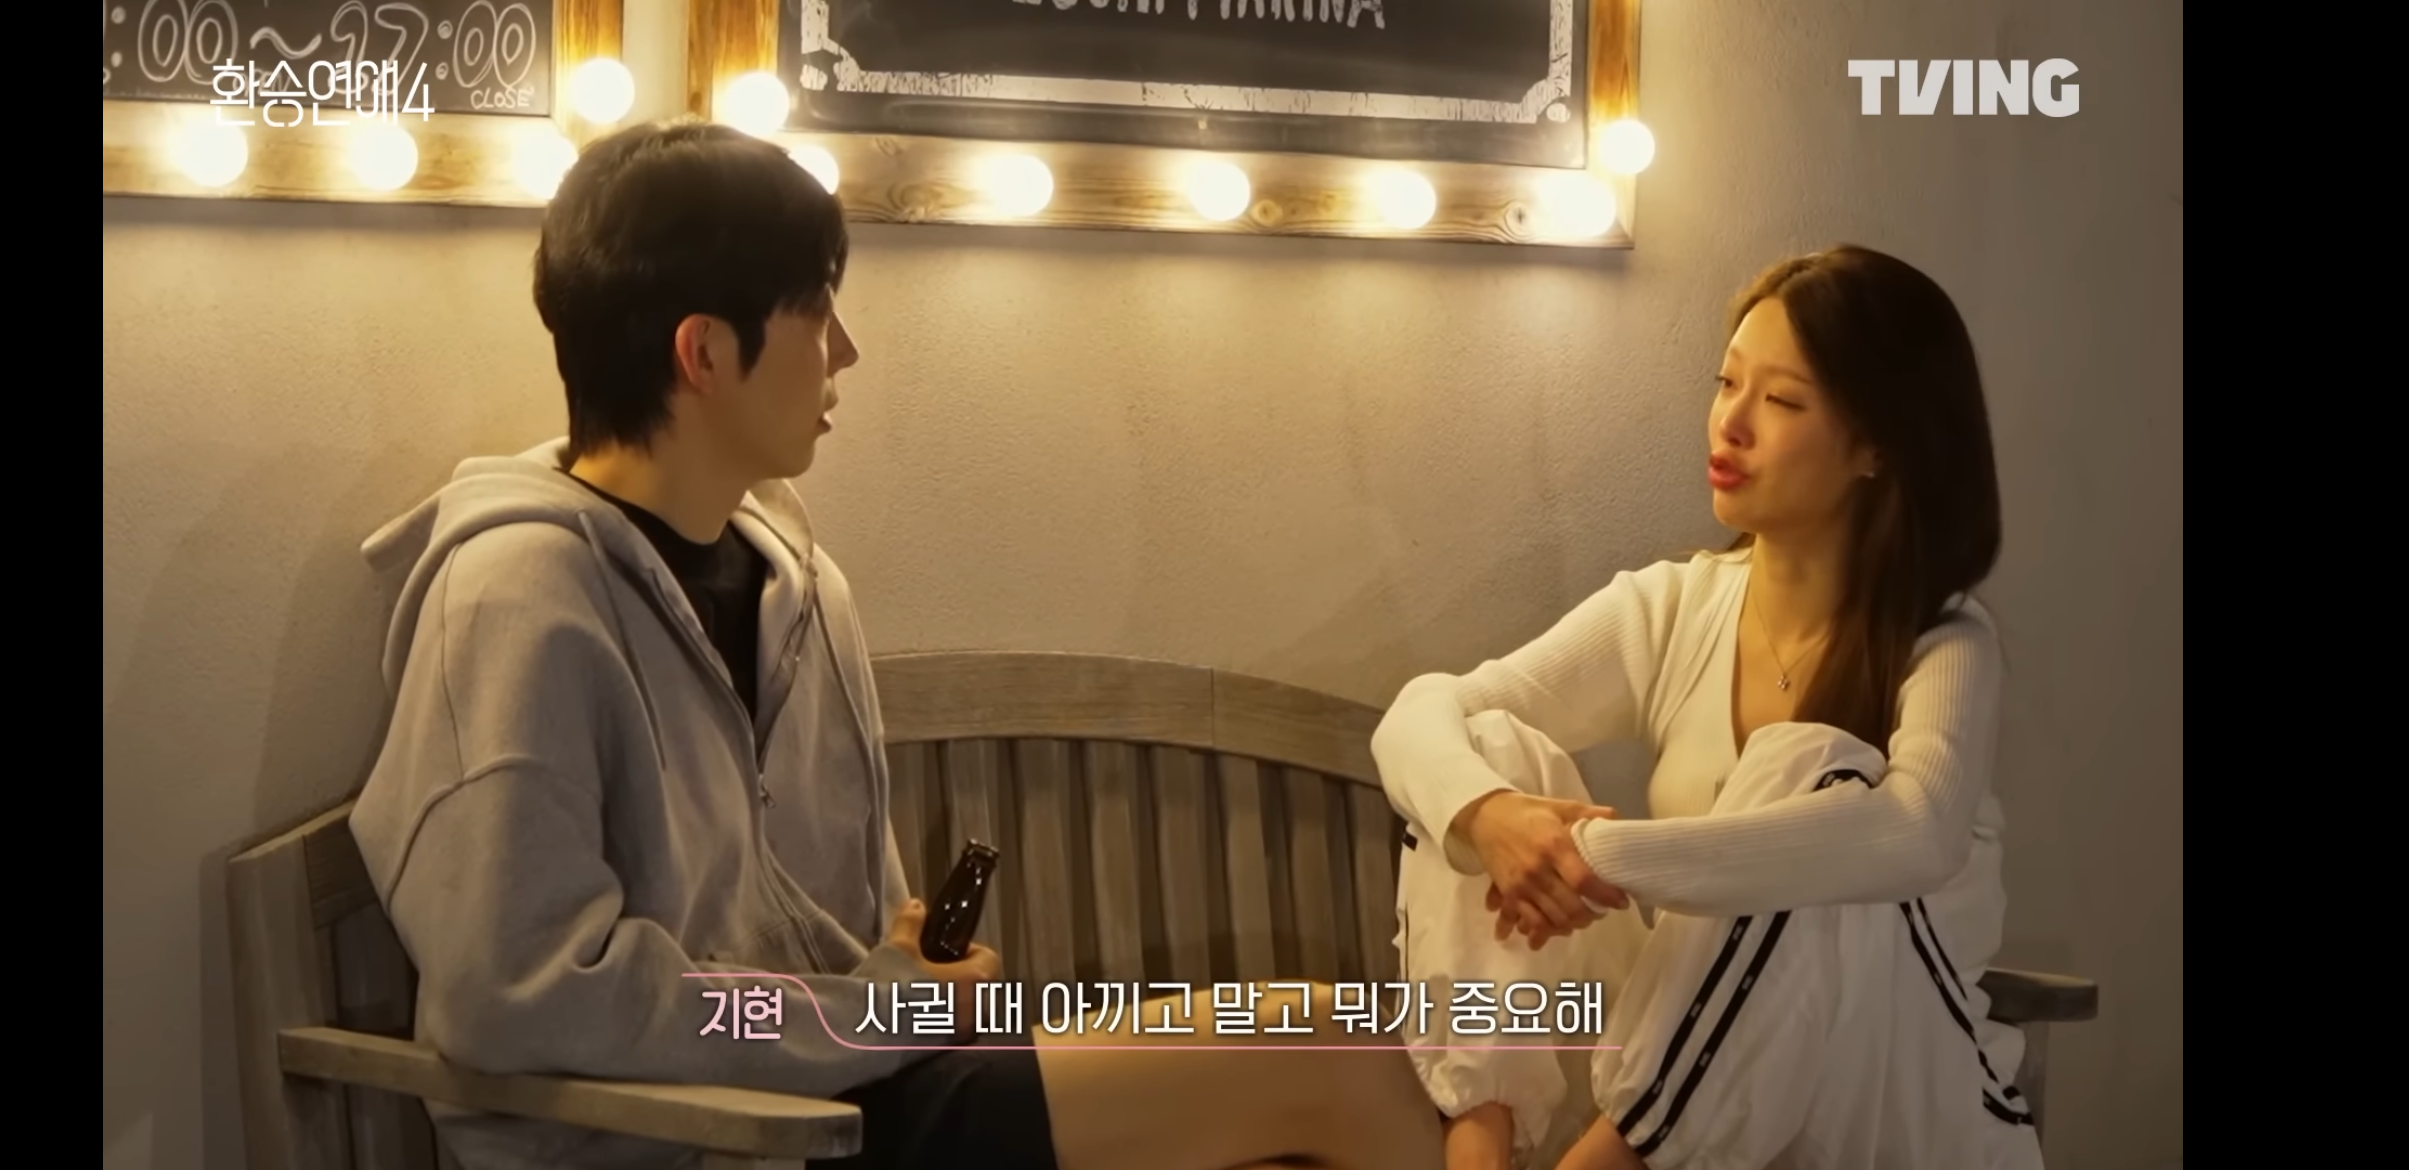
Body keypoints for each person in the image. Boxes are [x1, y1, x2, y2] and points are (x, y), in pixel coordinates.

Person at [346, 117, 1442, 1170]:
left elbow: (869, 942)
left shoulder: (803, 590)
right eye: (818, 312)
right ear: (705, 351)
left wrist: (909, 987)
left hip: (855, 1085)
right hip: (706, 1135)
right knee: (1328, 1047)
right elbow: (519, 995)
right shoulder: (519, 596)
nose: (847, 350)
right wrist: (870, 1013)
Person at [1374, 245, 2039, 1170]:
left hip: (1896, 1104)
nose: (1731, 422)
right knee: (1484, 750)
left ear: (1879, 446)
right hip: (1708, 1089)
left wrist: (1591, 856)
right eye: (1727, 383)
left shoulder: (1947, 643)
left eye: (1783, 401)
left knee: (1810, 773)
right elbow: (1419, 715)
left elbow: (1914, 832)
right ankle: (1478, 1155)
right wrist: (1495, 820)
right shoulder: (1675, 607)